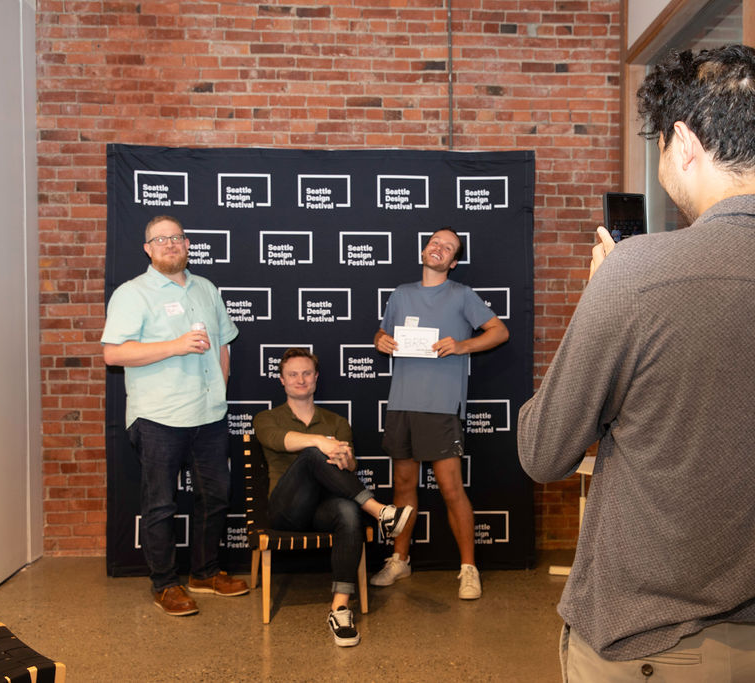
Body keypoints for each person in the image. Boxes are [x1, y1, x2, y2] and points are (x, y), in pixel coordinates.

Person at [517, 44, 755, 682]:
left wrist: (601, 298)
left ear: (683, 143)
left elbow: (543, 452)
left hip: (642, 648)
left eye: (659, 148)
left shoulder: (637, 274)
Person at [102, 214, 248, 617]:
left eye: (177, 237)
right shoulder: (133, 293)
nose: (170, 244)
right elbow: (113, 353)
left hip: (209, 414)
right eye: (160, 239)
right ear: (147, 249)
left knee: (215, 498)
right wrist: (176, 345)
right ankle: (165, 584)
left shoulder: (207, 288)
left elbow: (223, 343)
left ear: (187, 245)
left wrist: (220, 388)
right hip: (158, 416)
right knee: (161, 505)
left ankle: (205, 573)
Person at [371, 227, 510, 599]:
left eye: (448, 248)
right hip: (402, 403)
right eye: (435, 243)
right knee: (403, 486)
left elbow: (499, 332)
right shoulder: (401, 294)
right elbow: (382, 334)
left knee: (451, 488)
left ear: (453, 262)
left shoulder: (461, 295)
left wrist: (462, 345)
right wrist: (380, 340)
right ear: (424, 250)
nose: (439, 249)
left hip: (441, 406)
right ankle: (400, 560)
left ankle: (468, 569)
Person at [252, 348, 413, 647]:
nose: (300, 379)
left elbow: (351, 467)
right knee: (312, 453)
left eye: (306, 373)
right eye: (292, 374)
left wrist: (344, 458)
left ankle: (339, 608)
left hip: (323, 509)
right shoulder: (266, 417)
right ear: (282, 380)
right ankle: (379, 511)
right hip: (287, 511)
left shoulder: (336, 421)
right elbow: (277, 440)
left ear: (316, 377)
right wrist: (320, 443)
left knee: (348, 511)